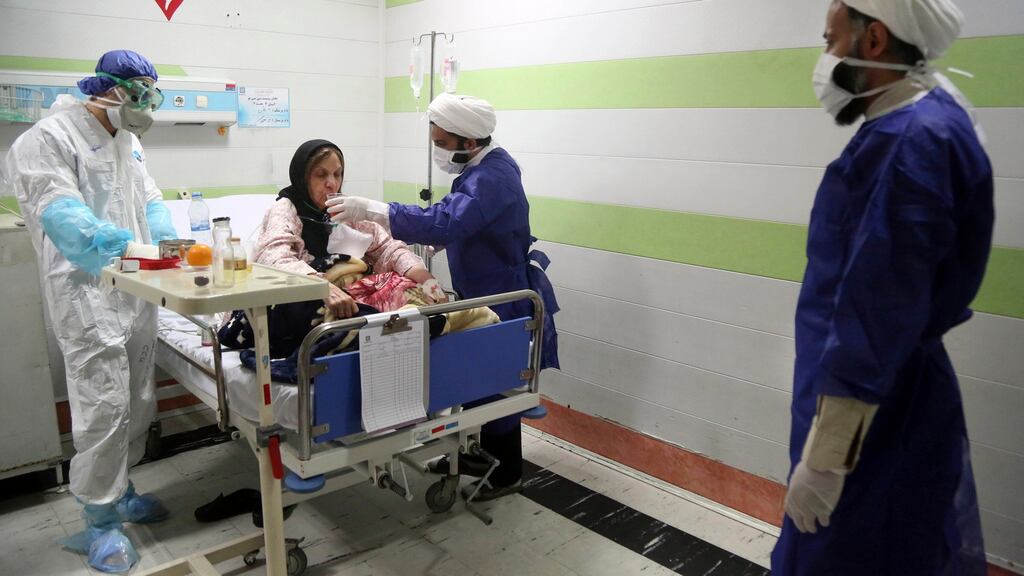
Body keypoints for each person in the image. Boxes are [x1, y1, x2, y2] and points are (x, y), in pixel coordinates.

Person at [771, 1, 993, 574]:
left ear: (872, 42)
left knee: (848, 553)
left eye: (830, 41)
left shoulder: (909, 144)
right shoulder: (929, 120)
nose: (824, 59)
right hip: (877, 395)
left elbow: (877, 312)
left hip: (871, 415)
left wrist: (826, 459)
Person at [328, 93, 560, 501]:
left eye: (441, 143)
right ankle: (476, 453)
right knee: (478, 376)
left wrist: (376, 210)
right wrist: (444, 242)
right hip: (482, 286)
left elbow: (449, 218)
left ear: (468, 142)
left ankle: (506, 474)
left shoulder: (492, 176)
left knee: (495, 381)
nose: (437, 150)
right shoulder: (482, 167)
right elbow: (463, 218)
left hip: (502, 293)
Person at [1, 50, 177, 573]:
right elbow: (62, 216)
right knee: (101, 403)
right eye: (141, 94)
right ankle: (98, 520)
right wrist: (121, 243)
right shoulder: (47, 139)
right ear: (109, 89)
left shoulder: (129, 140)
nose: (148, 105)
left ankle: (121, 491)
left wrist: (165, 234)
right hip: (85, 292)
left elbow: (149, 198)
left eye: (153, 94)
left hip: (135, 286)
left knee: (136, 395)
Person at [254, 139, 442, 322]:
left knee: (414, 292)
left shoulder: (344, 208)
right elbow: (274, 259)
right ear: (302, 178)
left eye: (337, 174)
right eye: (321, 175)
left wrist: (426, 278)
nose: (331, 183)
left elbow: (388, 248)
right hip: (310, 296)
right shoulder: (286, 210)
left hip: (351, 293)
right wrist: (321, 287)